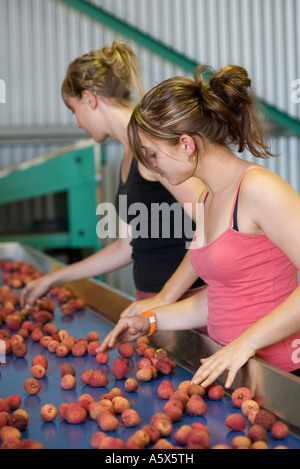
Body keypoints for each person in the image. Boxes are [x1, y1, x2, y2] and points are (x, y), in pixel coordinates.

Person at [98, 64, 300, 389]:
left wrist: (246, 343)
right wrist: (150, 320)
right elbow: (222, 296)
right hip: (236, 375)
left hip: (282, 378)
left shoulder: (259, 190)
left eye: (152, 154)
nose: (151, 166)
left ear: (186, 145)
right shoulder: (208, 199)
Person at [20, 41, 205, 309]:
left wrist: (167, 296)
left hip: (187, 305)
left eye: (75, 110)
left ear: (90, 99)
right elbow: (126, 247)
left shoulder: (149, 143)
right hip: (154, 305)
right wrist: (54, 278)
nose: (77, 122)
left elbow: (213, 219)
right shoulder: (128, 155)